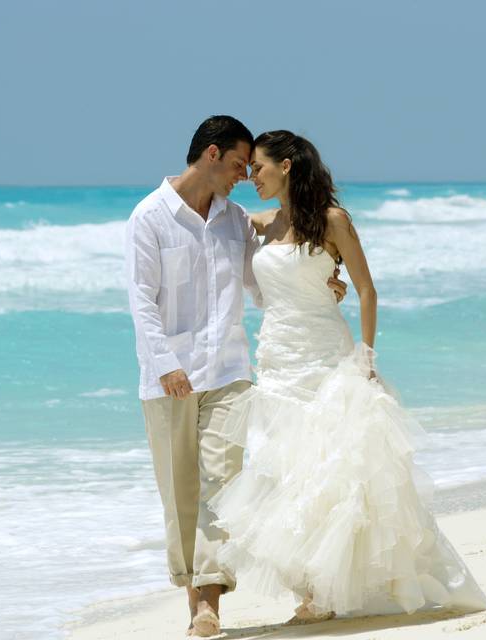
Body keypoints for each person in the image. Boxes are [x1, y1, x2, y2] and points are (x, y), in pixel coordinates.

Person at [208, 130, 486, 624]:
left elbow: (365, 289)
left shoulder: (332, 222)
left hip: (325, 356)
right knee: (286, 469)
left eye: (258, 167)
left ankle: (323, 595)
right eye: (247, 168)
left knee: (335, 466)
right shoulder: (261, 223)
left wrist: (366, 354)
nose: (251, 176)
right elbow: (207, 205)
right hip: (277, 361)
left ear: (289, 166)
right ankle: (314, 587)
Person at [124, 116, 347, 637]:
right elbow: (140, 299)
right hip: (168, 378)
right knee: (181, 495)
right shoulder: (149, 217)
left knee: (224, 486)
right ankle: (196, 604)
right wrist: (165, 364)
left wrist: (319, 287)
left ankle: (212, 609)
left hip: (227, 371)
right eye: (239, 165)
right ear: (211, 155)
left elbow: (264, 282)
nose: (244, 176)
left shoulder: (235, 220)